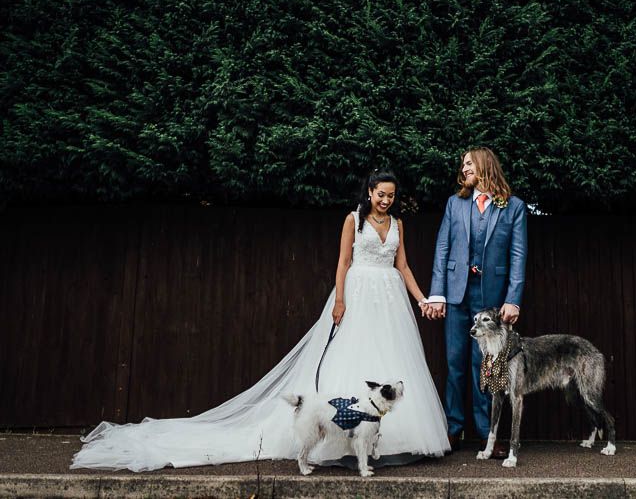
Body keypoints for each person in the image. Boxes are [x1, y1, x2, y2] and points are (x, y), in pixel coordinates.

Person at [71, 170, 449, 472]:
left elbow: (403, 267)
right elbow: (343, 263)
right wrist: (339, 299)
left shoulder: (398, 224)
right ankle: (338, 440)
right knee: (348, 355)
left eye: (391, 195)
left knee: (391, 359)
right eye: (380, 193)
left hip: (389, 300)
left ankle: (391, 443)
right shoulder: (354, 220)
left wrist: (422, 299)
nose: (386, 200)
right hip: (357, 292)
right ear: (369, 192)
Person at [425, 148, 527, 456]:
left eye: (469, 163)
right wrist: (437, 294)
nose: (464, 168)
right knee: (455, 362)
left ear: (484, 166)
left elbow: (518, 256)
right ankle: (453, 430)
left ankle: (487, 434)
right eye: (463, 164)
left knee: (487, 365)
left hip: (491, 301)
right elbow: (442, 250)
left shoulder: (513, 207)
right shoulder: (454, 204)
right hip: (457, 295)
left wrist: (513, 300)